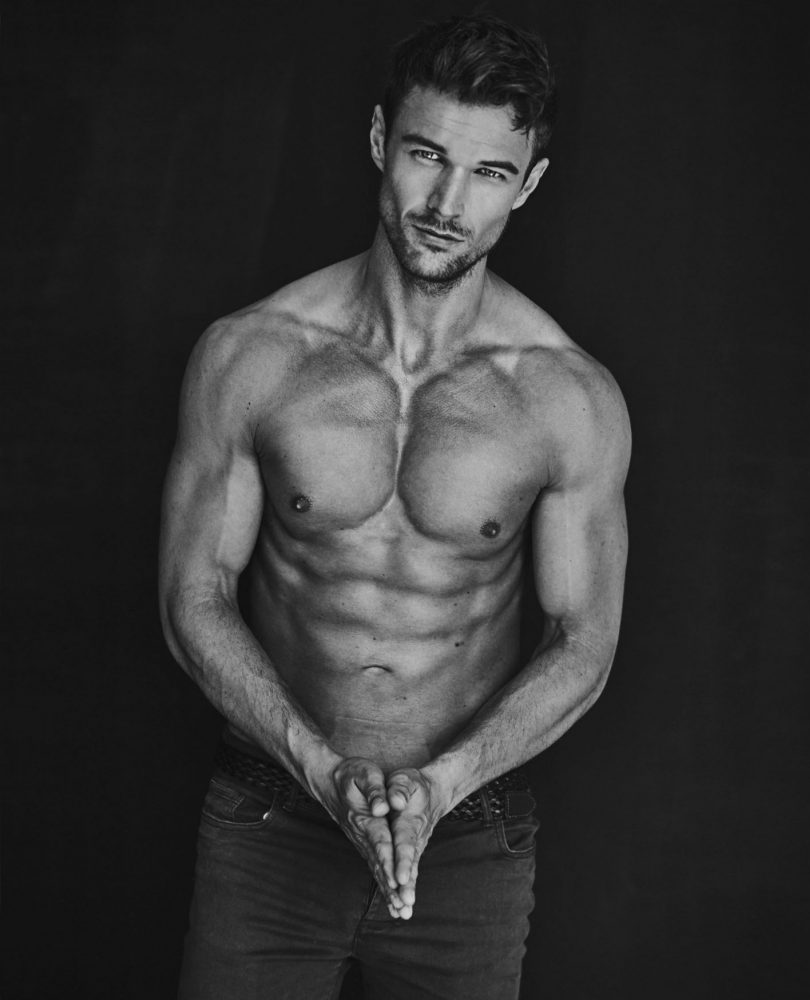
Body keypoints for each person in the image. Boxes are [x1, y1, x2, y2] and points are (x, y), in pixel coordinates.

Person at [159, 12, 630, 1000]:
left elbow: (583, 643)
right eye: (427, 155)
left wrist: (440, 785)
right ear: (380, 139)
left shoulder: (566, 398)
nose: (449, 204)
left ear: (527, 185)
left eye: (489, 173)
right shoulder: (252, 355)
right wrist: (319, 768)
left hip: (467, 843)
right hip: (269, 825)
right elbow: (191, 596)